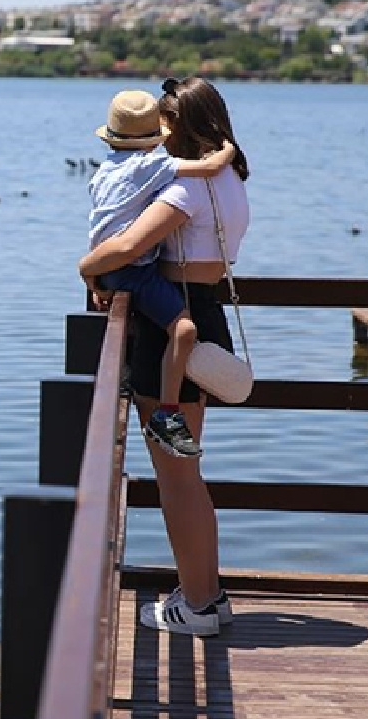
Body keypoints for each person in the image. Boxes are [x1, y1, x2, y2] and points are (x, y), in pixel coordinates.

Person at [79, 77, 251, 637]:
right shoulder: (228, 180)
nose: (158, 134)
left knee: (177, 477)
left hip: (169, 331)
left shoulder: (184, 191)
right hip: (204, 315)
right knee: (187, 472)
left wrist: (87, 267)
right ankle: (208, 593)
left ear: (182, 125)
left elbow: (126, 248)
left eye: (166, 123)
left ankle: (198, 605)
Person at [86, 89, 236, 458]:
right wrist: (228, 146)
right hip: (131, 269)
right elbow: (208, 167)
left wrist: (91, 273)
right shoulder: (149, 167)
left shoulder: (106, 169)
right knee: (184, 330)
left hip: (114, 268)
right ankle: (167, 415)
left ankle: (124, 376)